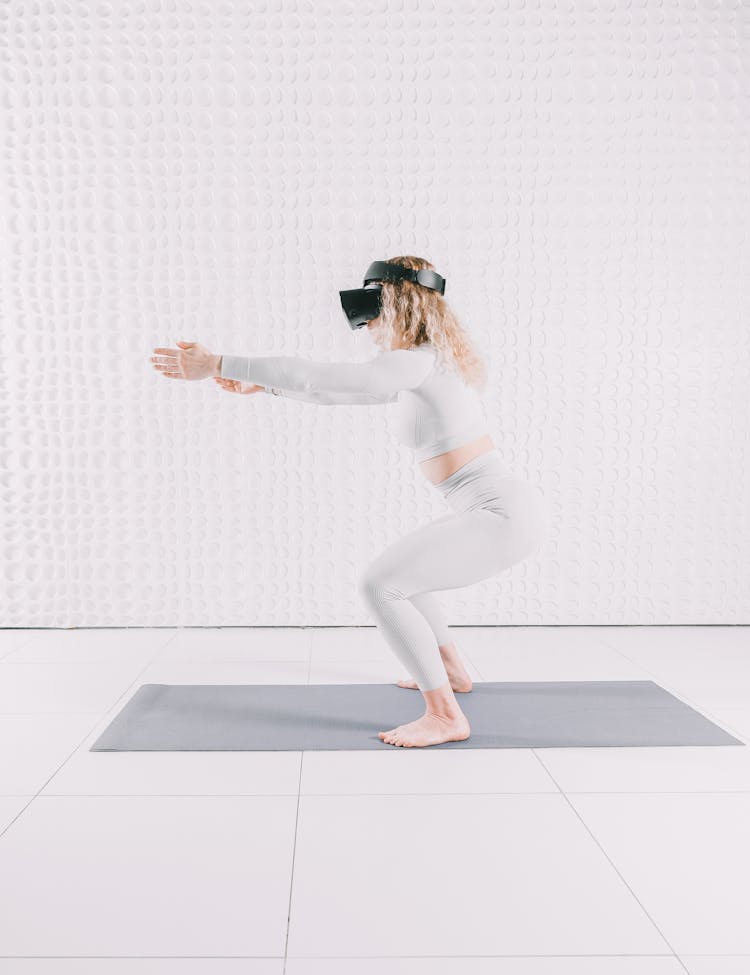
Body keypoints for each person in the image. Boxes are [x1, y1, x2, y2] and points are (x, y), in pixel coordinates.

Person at [150, 254, 550, 748]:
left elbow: (320, 375)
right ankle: (452, 670)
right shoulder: (424, 365)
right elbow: (342, 394)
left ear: (398, 304)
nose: (366, 325)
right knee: (411, 578)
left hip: (501, 515)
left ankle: (445, 716)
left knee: (381, 585)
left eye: (372, 309)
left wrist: (218, 363)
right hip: (494, 510)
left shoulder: (417, 360)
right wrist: (266, 389)